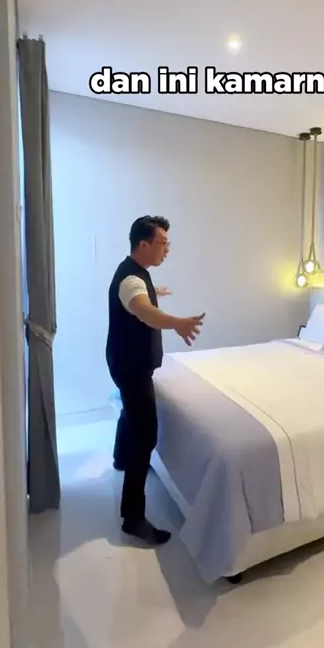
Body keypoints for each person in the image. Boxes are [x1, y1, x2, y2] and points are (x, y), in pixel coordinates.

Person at [106, 215, 204, 545]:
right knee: (146, 434)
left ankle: (121, 457)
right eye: (162, 243)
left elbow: (141, 298)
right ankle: (133, 518)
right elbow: (143, 310)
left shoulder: (135, 273)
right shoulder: (132, 281)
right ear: (143, 244)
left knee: (130, 413)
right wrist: (177, 322)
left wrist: (154, 291)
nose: (167, 250)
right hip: (132, 367)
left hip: (125, 362)